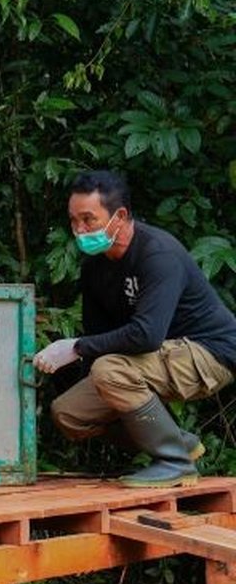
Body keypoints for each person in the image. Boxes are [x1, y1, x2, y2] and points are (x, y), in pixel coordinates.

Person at [34, 170, 236, 487]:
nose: (79, 230)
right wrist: (77, 358)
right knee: (68, 412)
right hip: (155, 357)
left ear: (121, 216)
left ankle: (174, 462)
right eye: (73, 221)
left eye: (88, 219)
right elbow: (98, 333)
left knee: (108, 370)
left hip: (210, 353)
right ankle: (178, 443)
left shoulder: (158, 254)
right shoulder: (95, 266)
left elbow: (146, 335)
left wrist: (74, 347)